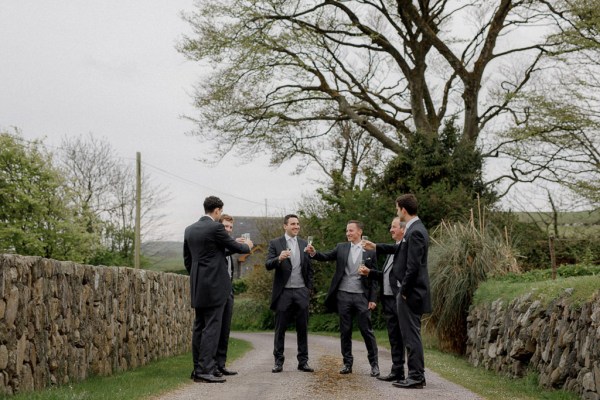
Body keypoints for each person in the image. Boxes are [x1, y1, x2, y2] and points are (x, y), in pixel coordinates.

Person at [363, 194, 431, 389]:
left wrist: (403, 291)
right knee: (409, 335)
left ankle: (416, 377)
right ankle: (413, 375)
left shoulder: (415, 231)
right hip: (409, 291)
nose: (396, 212)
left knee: (411, 336)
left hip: (410, 293)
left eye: (397, 209)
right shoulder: (413, 229)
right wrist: (376, 246)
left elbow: (413, 266)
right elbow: (398, 250)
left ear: (403, 210)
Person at [184, 196, 253, 383]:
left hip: (198, 284)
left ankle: (198, 369)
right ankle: (206, 369)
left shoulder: (189, 230)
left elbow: (188, 260)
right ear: (217, 211)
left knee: (199, 326)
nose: (220, 214)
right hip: (215, 285)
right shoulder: (216, 227)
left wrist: (199, 276)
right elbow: (233, 246)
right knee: (212, 327)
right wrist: (246, 246)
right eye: (220, 212)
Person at [307, 220, 379, 377]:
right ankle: (347, 364)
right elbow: (325, 256)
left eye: (351, 230)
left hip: (361, 296)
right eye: (347, 231)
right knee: (345, 331)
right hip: (343, 295)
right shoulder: (341, 247)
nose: (348, 233)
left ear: (359, 232)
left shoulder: (370, 251)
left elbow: (374, 277)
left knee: (366, 331)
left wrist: (373, 298)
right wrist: (313, 252)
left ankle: (374, 365)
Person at [265, 214, 314, 373]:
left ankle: (303, 362)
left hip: (301, 291)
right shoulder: (275, 243)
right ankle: (278, 362)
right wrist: (278, 258)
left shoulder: (304, 244)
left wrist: (308, 290)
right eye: (293, 224)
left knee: (303, 328)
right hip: (283, 292)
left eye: (298, 224)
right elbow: (267, 264)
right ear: (285, 226)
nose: (296, 226)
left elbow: (310, 270)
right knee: (280, 329)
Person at [358, 217, 406, 382]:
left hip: (400, 299)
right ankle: (397, 371)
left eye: (393, 227)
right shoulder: (393, 251)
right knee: (393, 337)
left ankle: (415, 374)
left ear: (403, 229)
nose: (391, 230)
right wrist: (369, 273)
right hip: (388, 301)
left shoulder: (404, 248)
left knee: (405, 337)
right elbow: (386, 276)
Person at [213, 214, 239, 377]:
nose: (228, 230)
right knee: (215, 329)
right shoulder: (217, 245)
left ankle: (221, 364)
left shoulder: (229, 246)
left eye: (230, 227)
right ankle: (212, 365)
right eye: (225, 227)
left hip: (229, 291)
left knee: (225, 330)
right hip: (217, 292)